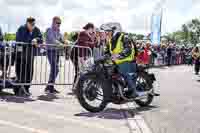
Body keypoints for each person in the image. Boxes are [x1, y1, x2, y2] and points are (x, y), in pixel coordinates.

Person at [104, 26, 138, 98]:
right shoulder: (110, 41)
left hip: (127, 60)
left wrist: (119, 55)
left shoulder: (124, 37)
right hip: (116, 62)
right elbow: (106, 51)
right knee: (110, 73)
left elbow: (128, 49)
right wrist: (104, 57)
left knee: (124, 71)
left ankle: (133, 91)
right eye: (106, 32)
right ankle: (116, 91)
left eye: (108, 31)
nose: (106, 33)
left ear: (114, 31)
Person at [15, 17, 43, 96]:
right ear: (27, 23)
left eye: (34, 24)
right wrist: (30, 39)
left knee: (29, 73)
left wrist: (36, 40)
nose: (33, 26)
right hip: (21, 55)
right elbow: (19, 40)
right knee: (21, 72)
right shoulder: (21, 28)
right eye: (31, 24)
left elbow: (41, 39)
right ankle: (19, 89)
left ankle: (26, 88)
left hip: (30, 55)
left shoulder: (36, 29)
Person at [71, 23, 96, 93]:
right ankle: (76, 88)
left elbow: (89, 44)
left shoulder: (87, 34)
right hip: (82, 57)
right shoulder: (83, 34)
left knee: (82, 73)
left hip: (85, 57)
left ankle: (76, 87)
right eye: (93, 28)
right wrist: (81, 57)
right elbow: (82, 46)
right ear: (90, 28)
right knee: (82, 73)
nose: (93, 30)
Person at [45, 16, 66, 94]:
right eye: (58, 23)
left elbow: (62, 39)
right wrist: (60, 43)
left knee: (54, 69)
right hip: (50, 51)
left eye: (60, 23)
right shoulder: (49, 30)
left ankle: (50, 86)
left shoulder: (58, 31)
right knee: (55, 69)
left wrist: (67, 42)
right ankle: (49, 86)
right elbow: (52, 40)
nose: (59, 25)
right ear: (53, 22)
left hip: (56, 52)